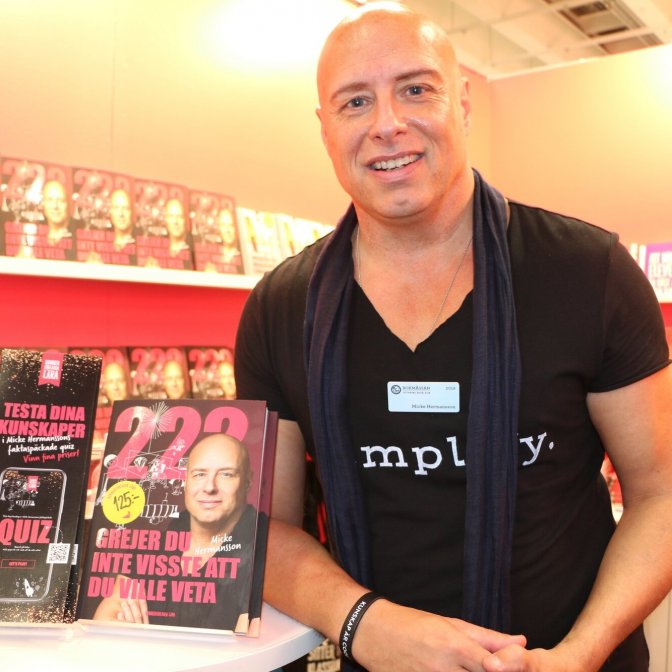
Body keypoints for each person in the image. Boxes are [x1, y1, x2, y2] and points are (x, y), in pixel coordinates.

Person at [233, 3, 672, 672]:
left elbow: (662, 492)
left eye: (416, 89)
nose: (386, 124)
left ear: (462, 104)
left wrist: (579, 655)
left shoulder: (590, 273)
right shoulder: (280, 307)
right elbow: (266, 527)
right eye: (355, 101)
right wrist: (364, 624)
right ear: (325, 128)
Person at [89, 433, 266, 634]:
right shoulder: (162, 537)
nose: (209, 487)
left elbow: (243, 646)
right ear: (185, 480)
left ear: (248, 481)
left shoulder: (261, 542)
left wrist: (143, 640)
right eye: (199, 474)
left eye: (226, 474)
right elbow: (105, 621)